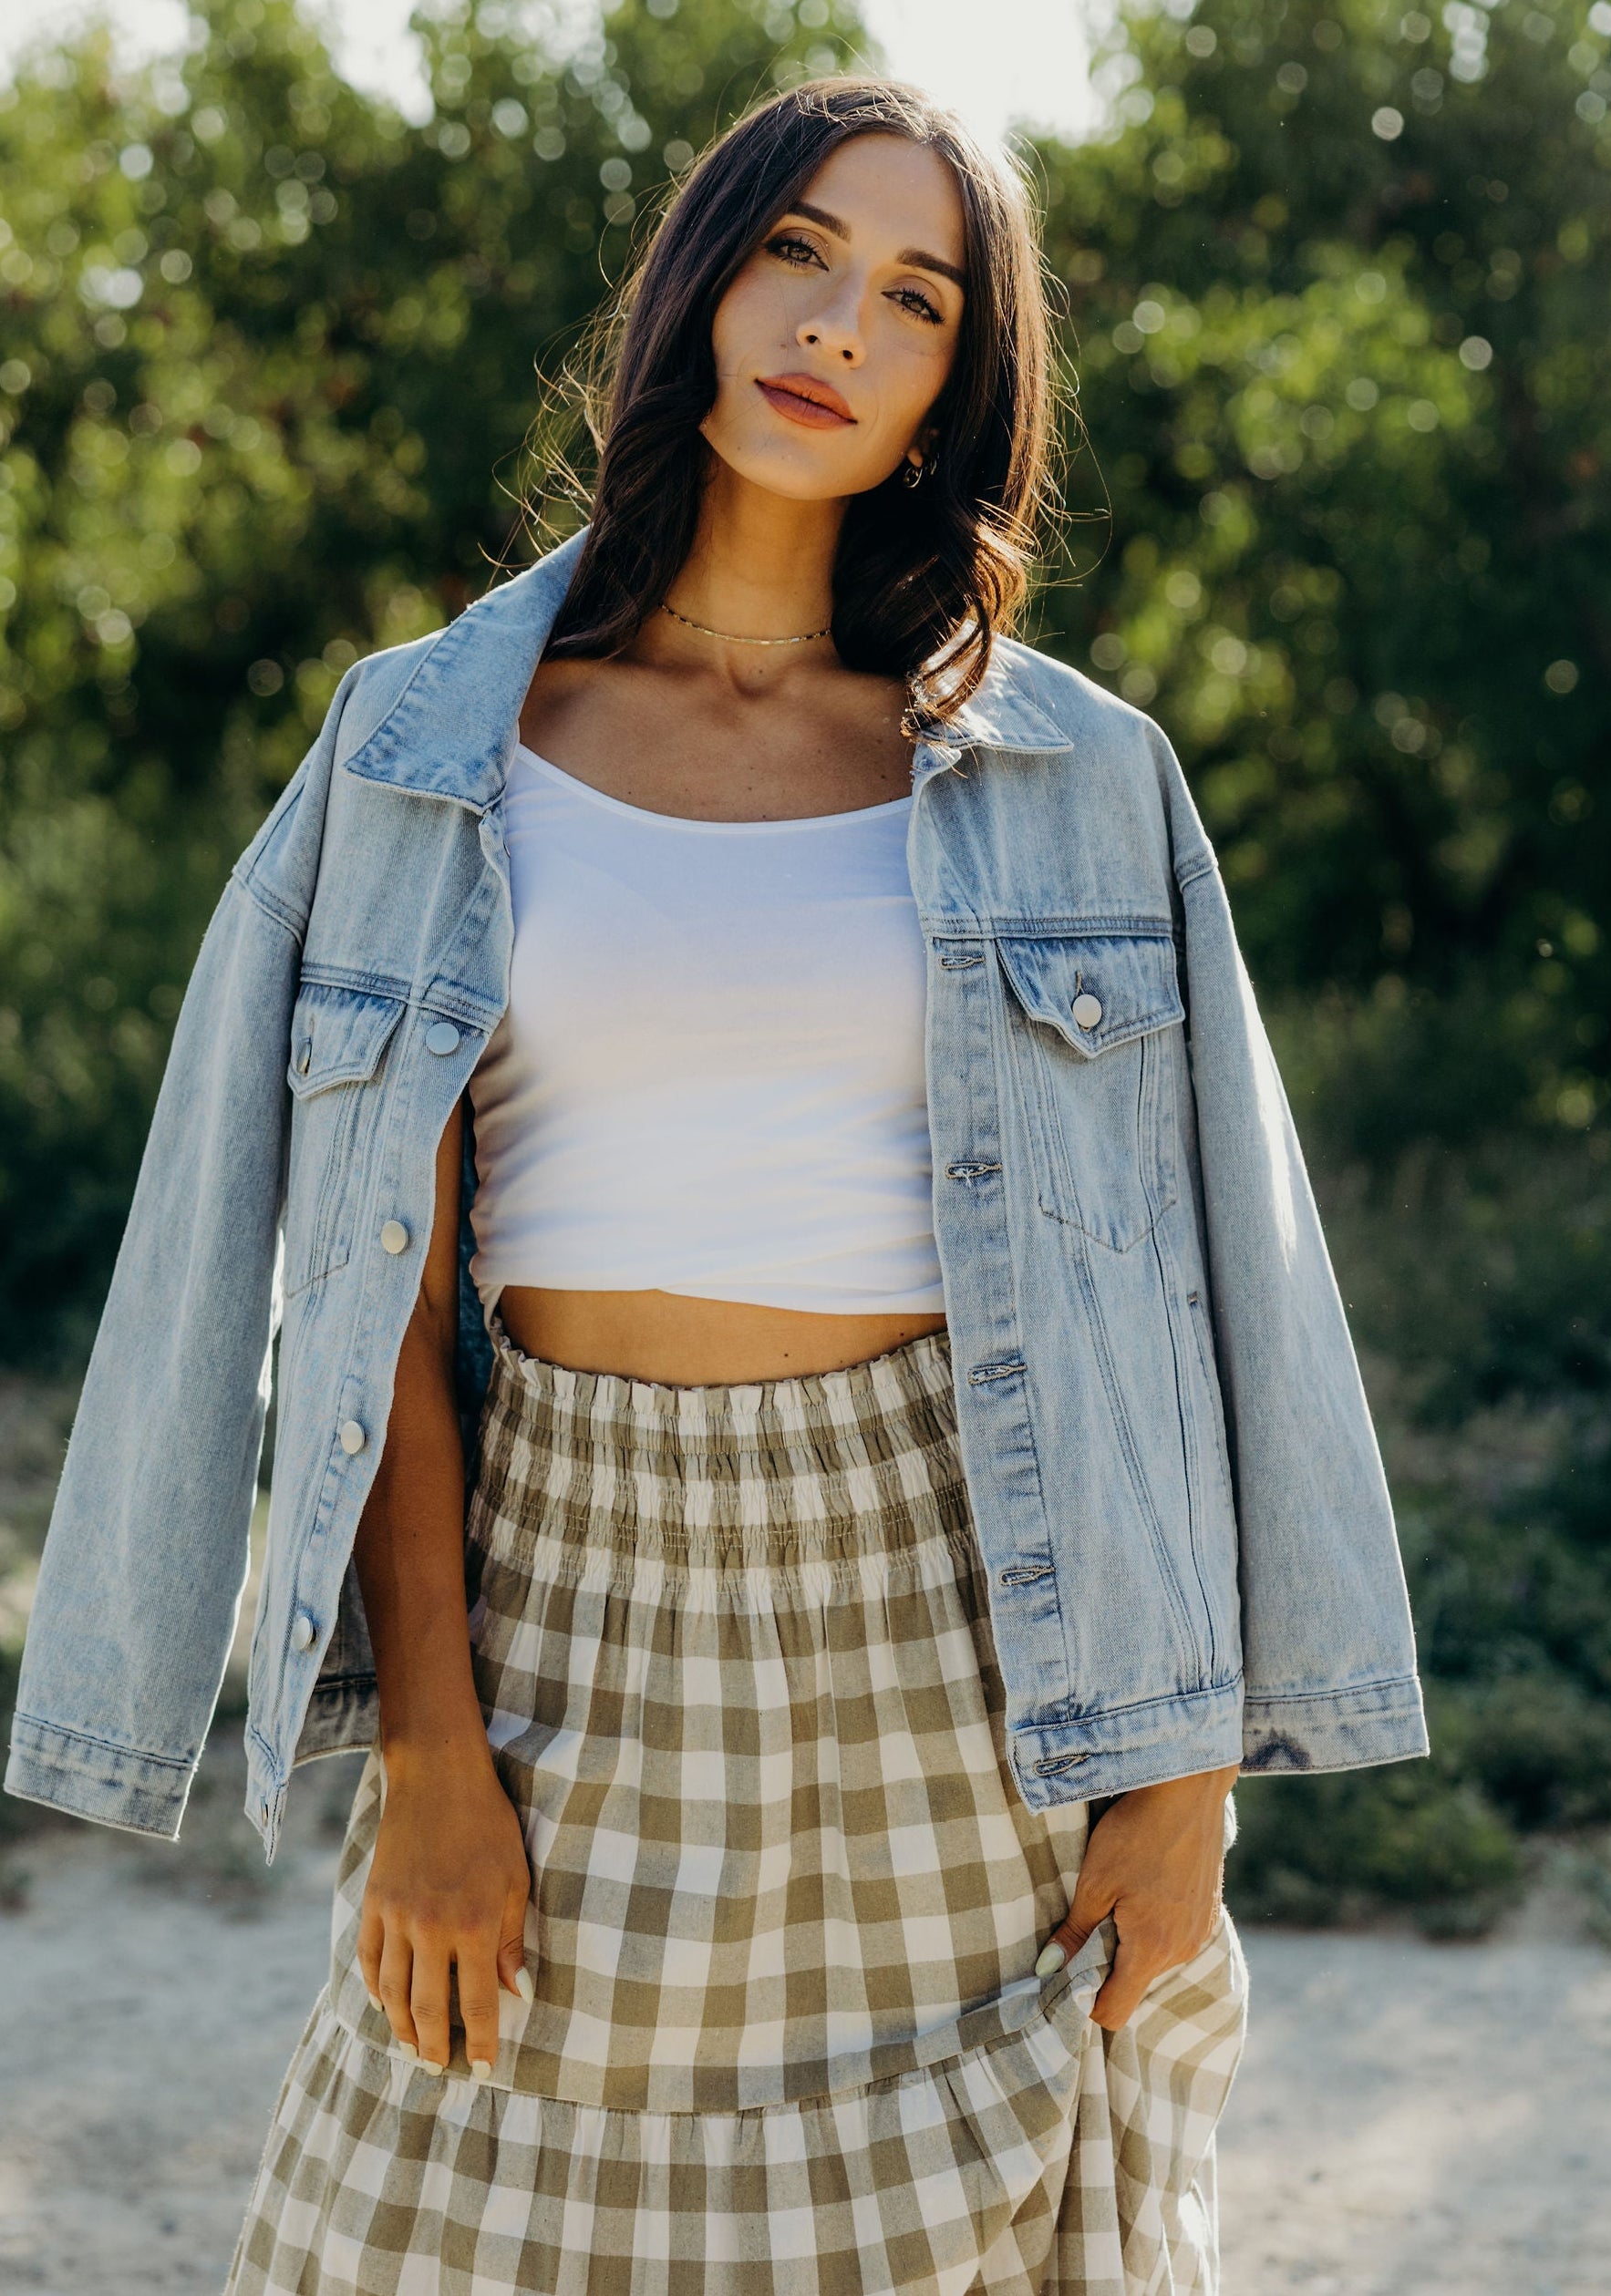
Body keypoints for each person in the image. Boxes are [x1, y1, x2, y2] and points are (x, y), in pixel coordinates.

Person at [3, 74, 1428, 2296]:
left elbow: (1226, 1284)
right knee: (422, 2211)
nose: (837, 324)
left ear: (958, 385)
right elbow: (373, 1289)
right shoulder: (425, 746)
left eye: (914, 298)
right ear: (703, 277)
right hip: (568, 1578)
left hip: (965, 1604)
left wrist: (1187, 1786)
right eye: (798, 254)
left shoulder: (1079, 779)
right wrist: (432, 1759)